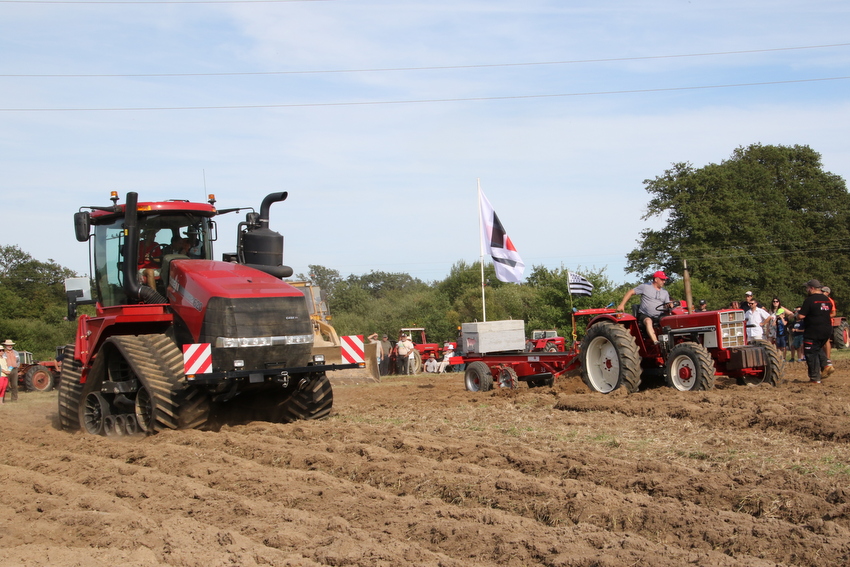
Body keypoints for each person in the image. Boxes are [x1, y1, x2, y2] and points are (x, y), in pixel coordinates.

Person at [616, 270, 672, 345]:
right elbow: (630, 292)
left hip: (659, 315)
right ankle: (656, 342)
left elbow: (667, 304)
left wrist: (670, 304)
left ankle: (670, 340)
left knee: (669, 320)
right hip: (645, 314)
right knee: (648, 321)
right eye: (662, 279)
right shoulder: (645, 287)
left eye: (664, 280)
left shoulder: (665, 292)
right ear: (656, 279)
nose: (664, 282)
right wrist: (622, 304)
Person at [797, 279, 833, 384]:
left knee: (810, 354)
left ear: (812, 288)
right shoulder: (827, 300)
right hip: (826, 330)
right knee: (816, 348)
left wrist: (795, 315)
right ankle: (826, 365)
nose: (806, 290)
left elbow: (801, 316)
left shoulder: (810, 300)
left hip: (813, 330)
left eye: (807, 288)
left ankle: (815, 378)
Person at [821, 286, 837, 365]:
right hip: (819, 323)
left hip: (827, 322)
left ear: (828, 293)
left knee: (826, 340)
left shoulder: (830, 301)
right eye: (821, 291)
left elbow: (834, 313)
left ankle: (828, 358)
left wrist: (825, 316)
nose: (822, 293)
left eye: (823, 291)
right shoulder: (819, 300)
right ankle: (822, 357)